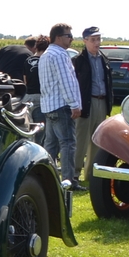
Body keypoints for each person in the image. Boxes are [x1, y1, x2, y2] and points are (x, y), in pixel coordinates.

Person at [39, 23, 82, 188]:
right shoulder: (59, 55)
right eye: (68, 36)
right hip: (62, 106)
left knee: (50, 145)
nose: (71, 39)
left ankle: (44, 178)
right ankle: (69, 181)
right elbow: (66, 82)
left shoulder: (45, 55)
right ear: (58, 37)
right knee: (68, 144)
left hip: (49, 106)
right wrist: (74, 104)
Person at [72, 26, 113, 184]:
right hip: (85, 103)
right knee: (80, 140)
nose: (97, 43)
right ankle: (74, 174)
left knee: (97, 140)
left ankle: (91, 175)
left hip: (102, 102)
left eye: (99, 39)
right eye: (93, 40)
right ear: (85, 41)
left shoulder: (103, 59)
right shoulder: (78, 60)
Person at [23, 35, 49, 144]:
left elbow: (25, 81)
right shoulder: (46, 61)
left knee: (29, 132)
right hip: (41, 99)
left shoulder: (27, 60)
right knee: (40, 135)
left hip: (28, 98)